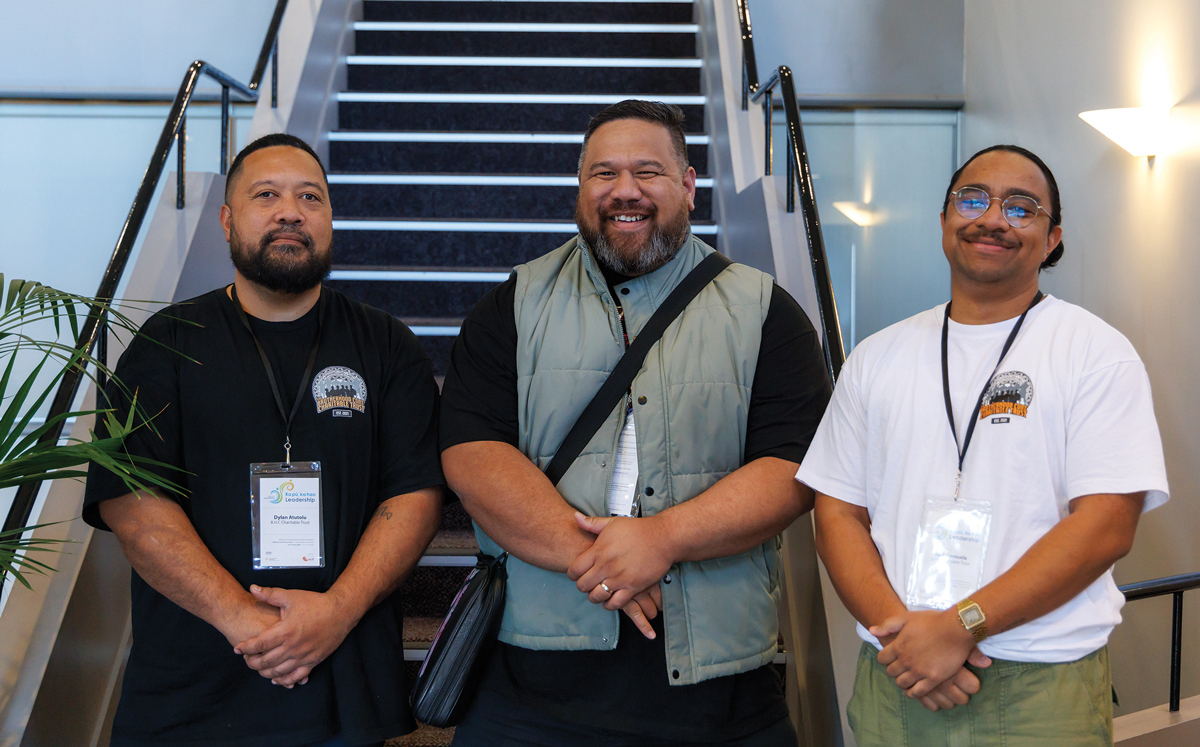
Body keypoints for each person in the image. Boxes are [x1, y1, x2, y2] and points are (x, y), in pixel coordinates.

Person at [438, 99, 832, 746]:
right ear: (580, 187)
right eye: (604, 173)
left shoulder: (766, 311)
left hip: (721, 693)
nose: (625, 190)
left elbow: (793, 465)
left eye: (648, 172)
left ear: (688, 186)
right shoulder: (512, 304)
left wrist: (662, 539)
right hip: (528, 691)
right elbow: (472, 453)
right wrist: (599, 559)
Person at [797, 144, 1169, 746]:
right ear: (945, 220)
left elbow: (1105, 526)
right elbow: (837, 512)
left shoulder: (1095, 353)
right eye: (973, 200)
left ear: (1052, 240)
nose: (993, 218)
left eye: (1021, 208)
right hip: (897, 677)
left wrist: (960, 627)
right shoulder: (877, 356)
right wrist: (907, 637)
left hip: (1038, 688)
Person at [83, 133, 444, 747]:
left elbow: (416, 497)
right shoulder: (165, 344)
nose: (290, 212)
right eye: (266, 195)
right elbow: (133, 507)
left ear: (330, 218)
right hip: (191, 690)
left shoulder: (388, 346)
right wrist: (246, 622)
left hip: (343, 683)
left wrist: (336, 611)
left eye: (311, 197)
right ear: (227, 220)